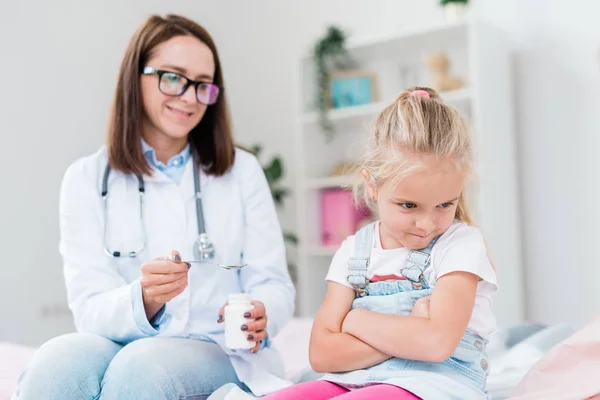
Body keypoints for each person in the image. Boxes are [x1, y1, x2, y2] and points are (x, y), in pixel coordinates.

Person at [13, 14, 295, 400]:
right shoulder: (86, 179)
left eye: (203, 85)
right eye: (174, 77)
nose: (189, 97)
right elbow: (89, 306)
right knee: (56, 362)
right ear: (135, 77)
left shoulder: (241, 171)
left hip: (217, 347)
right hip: (120, 339)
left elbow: (273, 281)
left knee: (144, 369)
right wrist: (144, 298)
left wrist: (263, 311)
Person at [261, 87, 498, 400]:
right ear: (372, 187)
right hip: (354, 380)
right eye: (409, 206)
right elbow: (322, 353)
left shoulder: (460, 245)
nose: (427, 224)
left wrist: (357, 320)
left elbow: (435, 344)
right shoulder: (353, 251)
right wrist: (410, 328)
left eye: (444, 205)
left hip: (435, 385)